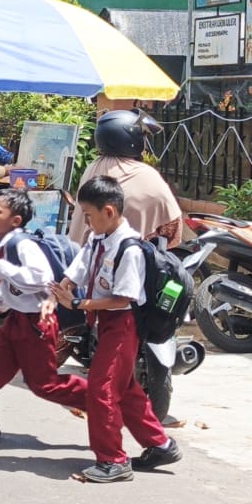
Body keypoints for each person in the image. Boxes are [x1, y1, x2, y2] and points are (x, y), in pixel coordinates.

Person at [51, 176, 179, 483]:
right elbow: (82, 265)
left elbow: (123, 298)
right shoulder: (99, 238)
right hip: (105, 321)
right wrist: (66, 284)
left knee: (102, 389)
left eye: (89, 215)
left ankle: (113, 460)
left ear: (108, 212)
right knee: (125, 389)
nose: (86, 222)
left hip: (123, 325)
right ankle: (161, 445)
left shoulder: (129, 249)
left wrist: (79, 304)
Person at [69, 109, 183, 425]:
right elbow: (173, 227)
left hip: (90, 262)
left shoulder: (93, 168)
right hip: (132, 269)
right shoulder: (147, 176)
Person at [0, 189, 87, 439]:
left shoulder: (22, 244)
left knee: (44, 384)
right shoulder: (6, 243)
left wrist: (1, 268)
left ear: (16, 220)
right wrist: (2, 300)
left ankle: (102, 400)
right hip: (18, 319)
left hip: (36, 324)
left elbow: (41, 278)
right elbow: (15, 287)